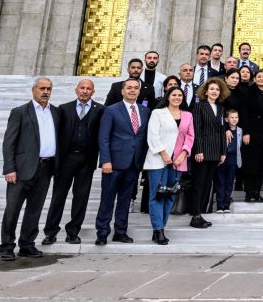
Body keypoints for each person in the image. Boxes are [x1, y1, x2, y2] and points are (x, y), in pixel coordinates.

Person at [0, 78, 59, 261]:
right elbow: (9, 142)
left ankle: (27, 244)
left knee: (35, 209)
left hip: (45, 168)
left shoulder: (56, 112)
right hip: (22, 170)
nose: (45, 91)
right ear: (33, 90)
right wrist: (9, 168)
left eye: (48, 88)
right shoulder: (20, 112)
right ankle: (7, 246)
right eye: (42, 88)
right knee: (13, 209)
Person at [42, 79, 104, 246]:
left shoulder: (100, 110)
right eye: (82, 88)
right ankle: (50, 232)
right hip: (66, 160)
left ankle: (73, 232)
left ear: (93, 92)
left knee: (81, 197)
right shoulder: (64, 109)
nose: (85, 91)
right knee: (58, 196)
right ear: (76, 90)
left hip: (86, 160)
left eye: (88, 89)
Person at [95, 78, 150, 246]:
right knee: (107, 199)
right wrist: (105, 161)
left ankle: (120, 231)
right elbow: (103, 137)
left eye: (135, 88)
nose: (132, 91)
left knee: (125, 200)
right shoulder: (111, 110)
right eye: (129, 88)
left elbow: (142, 137)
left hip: (133, 164)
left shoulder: (144, 111)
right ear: (122, 91)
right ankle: (102, 232)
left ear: (139, 91)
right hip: (114, 163)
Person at [144, 86, 194, 245]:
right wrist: (164, 154)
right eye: (174, 95)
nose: (177, 97)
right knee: (157, 194)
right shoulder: (158, 113)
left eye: (180, 95)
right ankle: (158, 229)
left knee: (170, 195)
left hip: (179, 161)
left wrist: (183, 154)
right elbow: (153, 135)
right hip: (159, 160)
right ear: (168, 96)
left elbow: (190, 137)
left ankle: (161, 226)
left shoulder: (188, 115)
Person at [188, 78, 228, 229]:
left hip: (215, 151)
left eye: (217, 89)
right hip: (202, 152)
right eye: (212, 89)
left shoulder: (220, 107)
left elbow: (222, 131)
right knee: (198, 184)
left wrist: (223, 152)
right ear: (205, 91)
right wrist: (198, 150)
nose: (214, 92)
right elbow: (196, 129)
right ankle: (195, 215)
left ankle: (200, 214)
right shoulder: (199, 106)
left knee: (206, 184)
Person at [241, 69, 263, 202]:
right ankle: (249, 192)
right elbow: (244, 113)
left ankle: (257, 192)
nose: (261, 79)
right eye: (258, 77)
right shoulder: (248, 92)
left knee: (261, 164)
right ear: (254, 78)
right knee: (250, 163)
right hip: (252, 131)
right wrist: (246, 132)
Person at [215, 109, 242, 212]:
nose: (234, 119)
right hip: (223, 157)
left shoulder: (240, 130)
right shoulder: (223, 130)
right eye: (232, 117)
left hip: (233, 158)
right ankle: (219, 205)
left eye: (236, 117)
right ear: (226, 119)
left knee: (229, 182)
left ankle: (226, 205)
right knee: (220, 181)